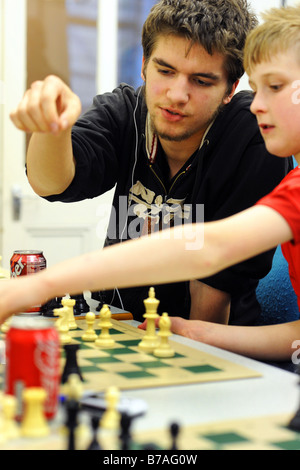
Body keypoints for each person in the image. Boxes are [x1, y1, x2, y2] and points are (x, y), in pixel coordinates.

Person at [9, 0, 291, 327]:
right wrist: (52, 130)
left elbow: (213, 290)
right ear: (144, 65)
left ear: (230, 89)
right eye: (165, 71)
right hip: (115, 322)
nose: (176, 94)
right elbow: (51, 183)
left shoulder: (252, 134)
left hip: (207, 338)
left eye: (201, 81)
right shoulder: (124, 110)